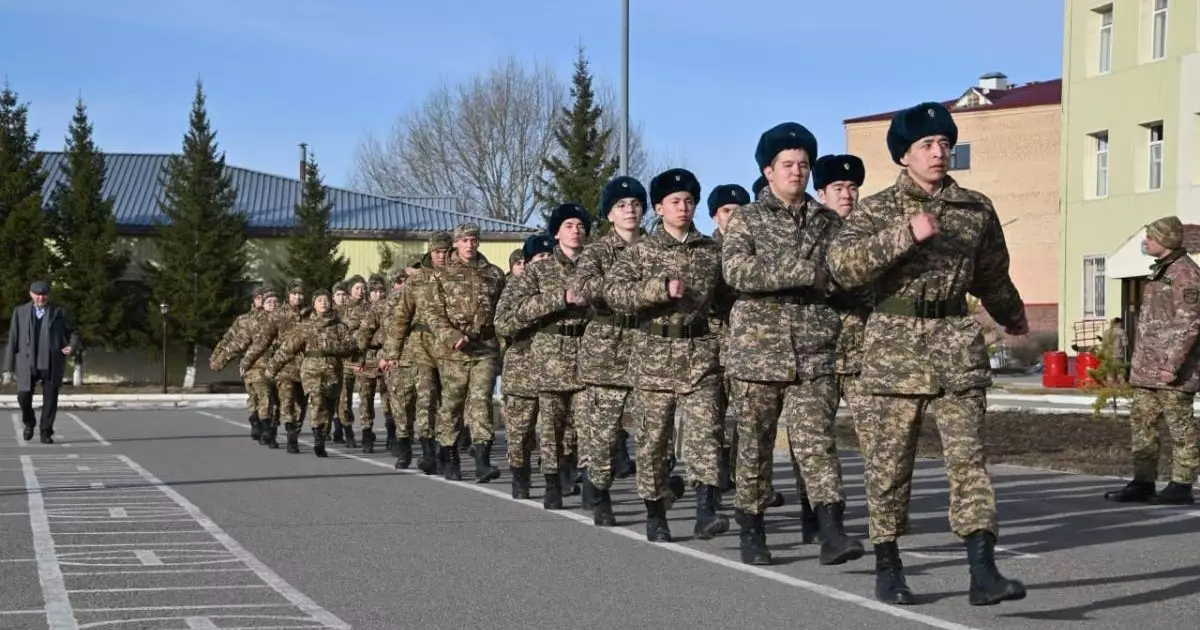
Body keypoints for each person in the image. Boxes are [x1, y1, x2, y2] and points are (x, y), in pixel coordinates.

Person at [827, 101, 1028, 606]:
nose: (939, 153)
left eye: (945, 144)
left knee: (969, 462)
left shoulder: (975, 208)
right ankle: (889, 566)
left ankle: (983, 571)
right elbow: (844, 268)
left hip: (956, 344)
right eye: (926, 145)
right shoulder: (875, 210)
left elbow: (991, 274)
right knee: (891, 466)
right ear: (903, 156)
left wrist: (1012, 314)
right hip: (894, 351)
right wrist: (904, 235)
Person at [721, 122, 862, 567]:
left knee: (816, 440)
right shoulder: (748, 218)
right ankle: (753, 526)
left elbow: (848, 273)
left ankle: (832, 530)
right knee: (755, 443)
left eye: (803, 164)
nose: (797, 172)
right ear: (768, 170)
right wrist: (802, 272)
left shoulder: (828, 222)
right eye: (788, 164)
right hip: (758, 349)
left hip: (815, 348)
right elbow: (737, 272)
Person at [604, 168, 730, 542]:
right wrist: (657, 289)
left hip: (700, 352)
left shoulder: (711, 252)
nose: (683, 207)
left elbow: (725, 301)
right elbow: (614, 294)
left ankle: (707, 510)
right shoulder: (641, 252)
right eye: (675, 202)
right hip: (654, 354)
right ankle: (655, 510)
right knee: (653, 438)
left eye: (689, 201)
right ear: (659, 208)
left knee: (707, 431)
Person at [1103, 216, 1199, 506]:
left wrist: (1172, 364)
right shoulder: (1161, 271)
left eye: (1151, 237)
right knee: (1142, 424)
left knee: (1180, 427)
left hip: (1173, 372)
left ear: (1167, 240)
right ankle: (1142, 482)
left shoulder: (1186, 274)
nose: (1146, 242)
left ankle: (1181, 485)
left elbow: (1190, 323)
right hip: (1147, 371)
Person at [571, 175, 651, 526]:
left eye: (635, 204)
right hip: (608, 347)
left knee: (653, 427)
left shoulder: (655, 247)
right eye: (621, 206)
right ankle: (600, 490)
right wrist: (629, 290)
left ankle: (656, 489)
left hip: (652, 347)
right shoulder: (598, 251)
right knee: (603, 432)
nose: (629, 210)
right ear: (609, 214)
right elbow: (585, 287)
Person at [425, 222, 507, 483]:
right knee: (452, 404)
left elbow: (503, 312)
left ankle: (483, 460)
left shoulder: (493, 274)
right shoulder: (441, 275)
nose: (469, 245)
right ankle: (449, 456)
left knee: (481, 401)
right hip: (454, 352)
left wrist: (503, 345)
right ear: (455, 243)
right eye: (464, 240)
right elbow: (433, 313)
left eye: (473, 240)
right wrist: (451, 336)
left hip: (485, 348)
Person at [4, 280, 81, 444]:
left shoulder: (59, 312)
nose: (41, 298)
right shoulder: (20, 312)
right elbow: (13, 338)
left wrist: (71, 346)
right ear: (31, 294)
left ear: (48, 295)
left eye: (44, 295)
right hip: (27, 362)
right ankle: (29, 422)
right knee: (23, 396)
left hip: (51, 361)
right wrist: (8, 367)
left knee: (50, 399)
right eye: (37, 295)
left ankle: (46, 431)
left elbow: (74, 332)